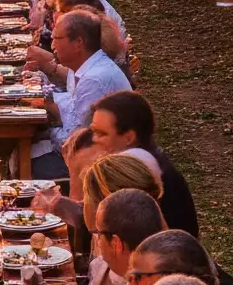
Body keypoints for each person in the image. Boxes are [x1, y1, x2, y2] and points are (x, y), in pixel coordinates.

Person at [85, 91, 199, 238]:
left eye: (101, 134)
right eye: (94, 131)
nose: (94, 139)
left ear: (129, 138)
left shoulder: (133, 171)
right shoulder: (147, 156)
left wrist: (77, 168)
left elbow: (94, 226)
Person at [26, 8, 123, 176]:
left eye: (57, 39)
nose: (52, 45)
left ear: (78, 42)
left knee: (27, 154)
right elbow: (73, 113)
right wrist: (46, 102)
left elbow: (72, 143)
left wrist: (46, 130)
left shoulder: (93, 80)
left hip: (101, 167)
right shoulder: (86, 67)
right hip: (91, 153)